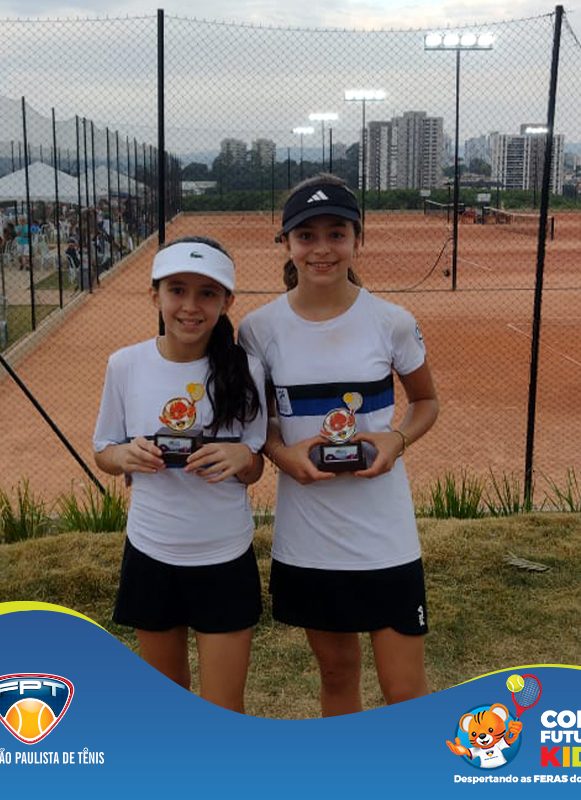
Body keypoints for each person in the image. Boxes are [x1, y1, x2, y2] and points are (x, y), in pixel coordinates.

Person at [238, 174, 439, 717]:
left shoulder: (392, 322)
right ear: (287, 243)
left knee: (404, 690)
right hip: (311, 538)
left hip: (386, 537)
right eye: (306, 236)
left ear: (357, 240)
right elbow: (260, 426)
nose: (321, 249)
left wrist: (396, 439)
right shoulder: (257, 329)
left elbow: (426, 402)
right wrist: (283, 455)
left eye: (336, 234)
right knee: (337, 676)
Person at [93, 236, 267, 713]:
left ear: (227, 301)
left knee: (223, 709)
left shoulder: (247, 370)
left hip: (224, 556)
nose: (190, 306)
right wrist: (125, 455)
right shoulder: (125, 365)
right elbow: (104, 451)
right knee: (166, 707)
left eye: (207, 293)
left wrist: (242, 459)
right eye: (177, 290)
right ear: (155, 295)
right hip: (151, 553)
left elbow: (254, 466)